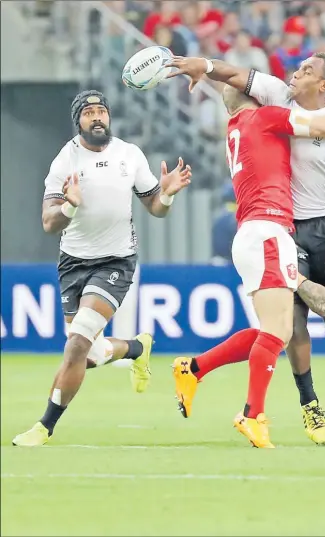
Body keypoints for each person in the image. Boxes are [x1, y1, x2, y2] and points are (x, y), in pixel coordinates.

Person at [167, 52, 325, 446]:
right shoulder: (268, 114)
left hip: (289, 230)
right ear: (252, 100)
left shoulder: (244, 120)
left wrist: (203, 64)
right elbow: (324, 125)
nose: (291, 75)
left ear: (323, 85)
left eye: (306, 70)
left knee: (297, 328)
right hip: (273, 231)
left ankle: (197, 369)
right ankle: (259, 412)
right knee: (284, 330)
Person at [13, 90, 192, 447]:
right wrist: (70, 207)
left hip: (116, 262)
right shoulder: (66, 160)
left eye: (102, 111)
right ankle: (136, 348)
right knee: (87, 352)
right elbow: (49, 222)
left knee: (77, 345)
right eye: (89, 112)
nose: (97, 117)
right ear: (78, 121)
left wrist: (167, 194)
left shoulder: (129, 154)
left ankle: (44, 427)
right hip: (72, 263)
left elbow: (156, 208)